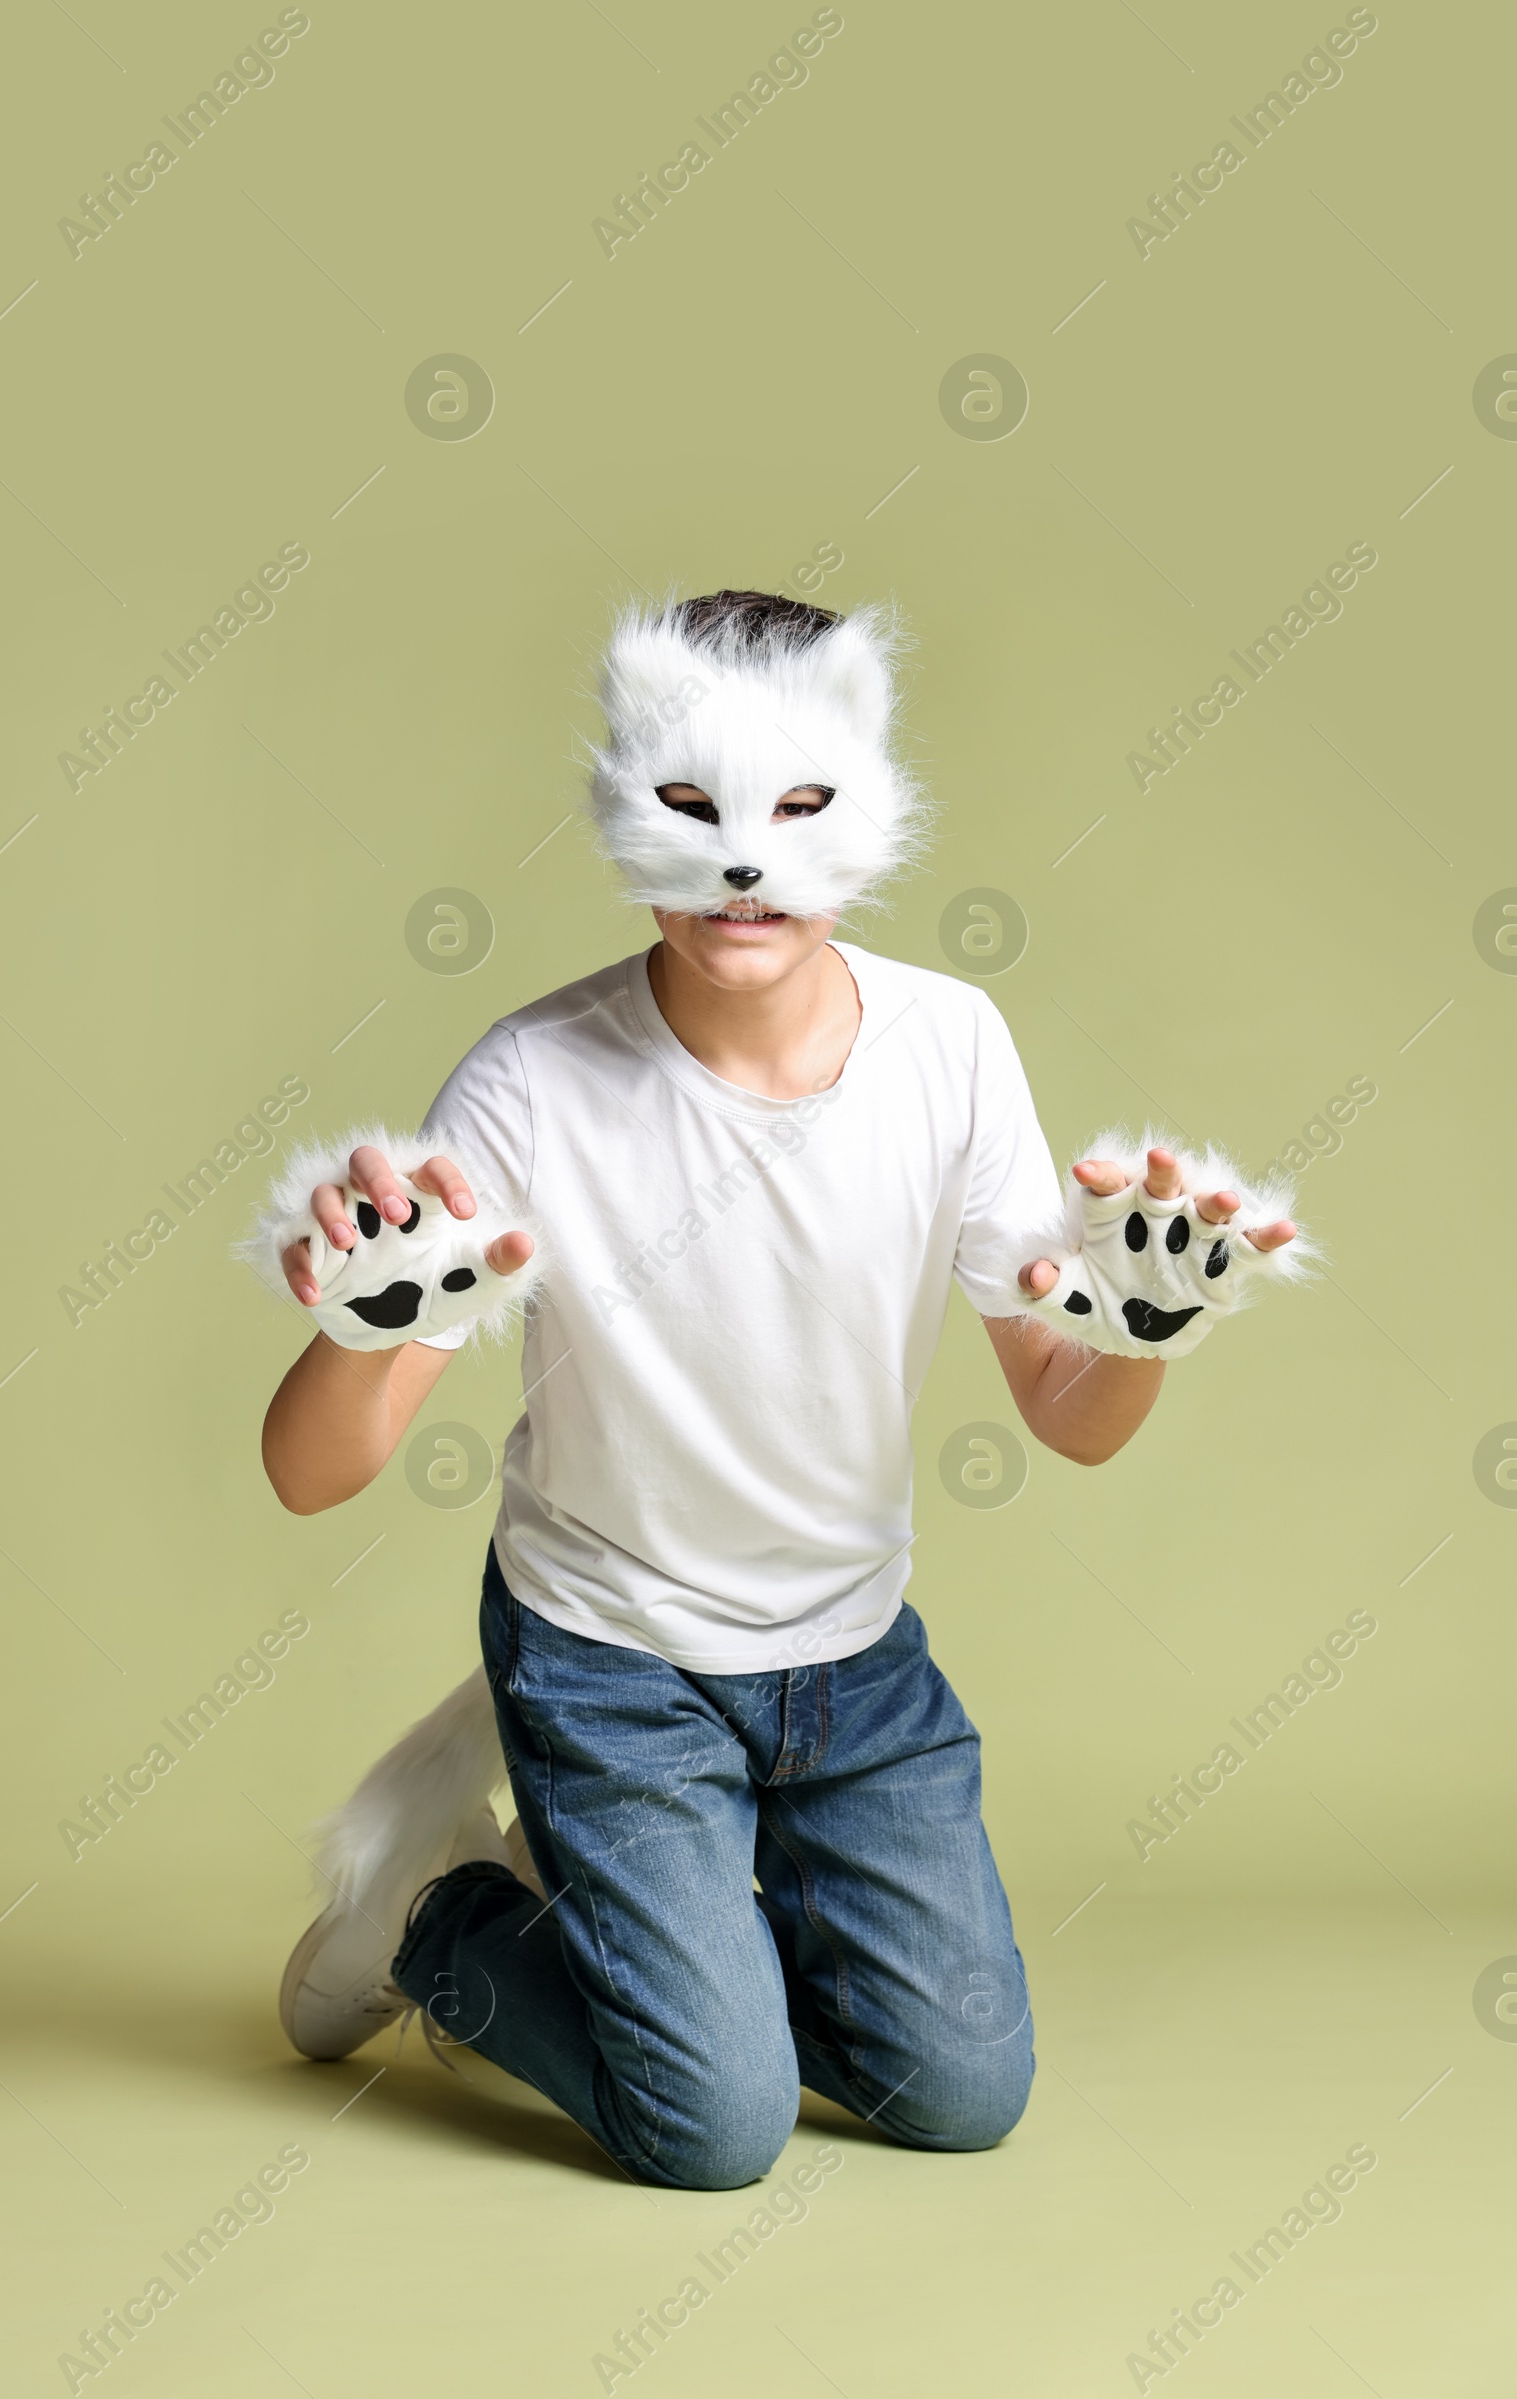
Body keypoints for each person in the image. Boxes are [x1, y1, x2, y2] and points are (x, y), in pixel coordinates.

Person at [253, 589, 1300, 2192]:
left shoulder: (950, 1045)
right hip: (611, 1658)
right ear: (622, 800)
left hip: (853, 1665)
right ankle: (440, 1914)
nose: (746, 865)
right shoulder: (534, 1079)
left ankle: (642, 1921)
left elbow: (1067, 1412)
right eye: (693, 809)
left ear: (866, 805)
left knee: (960, 2092)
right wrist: (350, 1318)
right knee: (715, 2132)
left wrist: (1143, 1333)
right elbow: (315, 1473)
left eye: (800, 808)